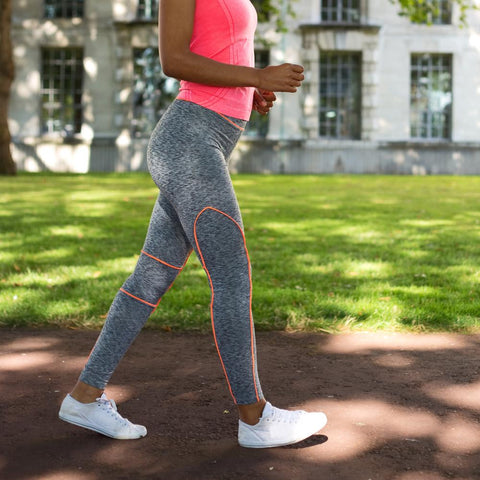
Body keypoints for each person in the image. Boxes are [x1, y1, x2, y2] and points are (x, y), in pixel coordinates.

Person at [58, 0, 327, 448]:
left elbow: (219, 50)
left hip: (206, 141)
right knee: (232, 276)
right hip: (188, 142)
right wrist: (257, 76)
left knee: (151, 276)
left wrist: (250, 92)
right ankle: (255, 417)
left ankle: (85, 396)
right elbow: (174, 60)